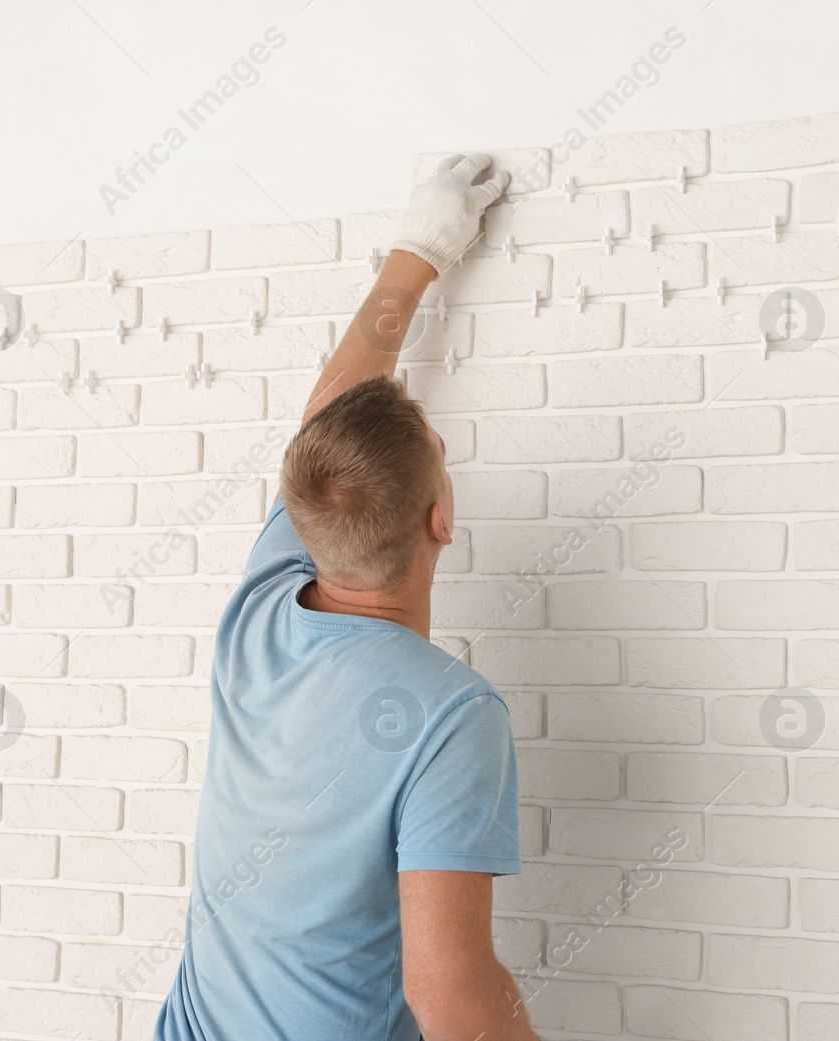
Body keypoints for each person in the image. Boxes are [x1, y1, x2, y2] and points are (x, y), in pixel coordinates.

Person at [153, 154, 540, 1041]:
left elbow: (328, 429)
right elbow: (451, 994)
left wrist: (420, 247)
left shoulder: (258, 613)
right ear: (443, 516)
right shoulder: (452, 713)